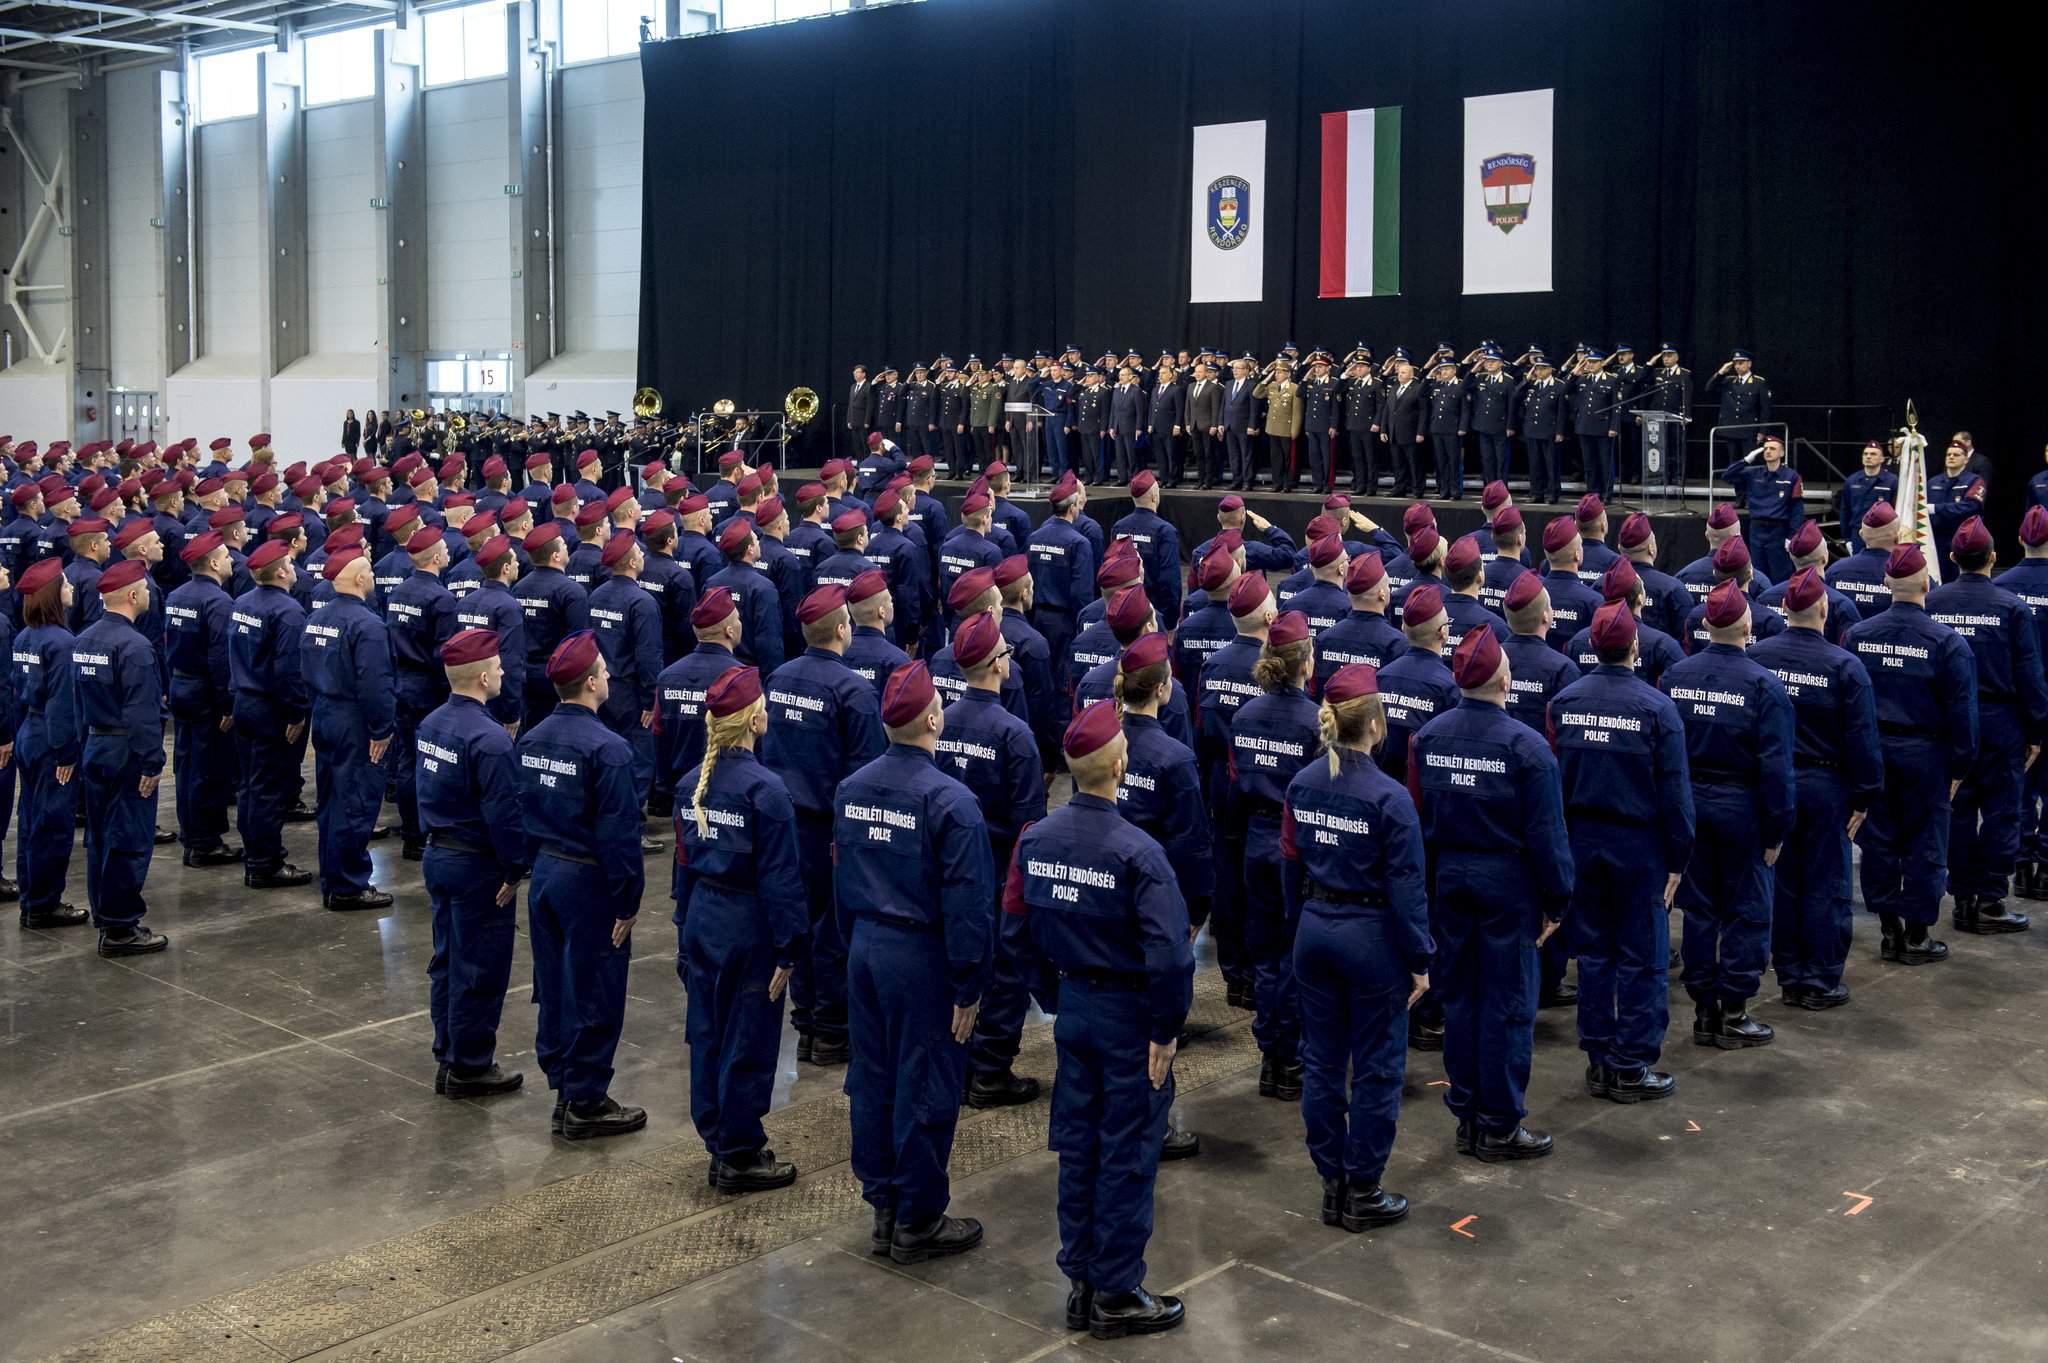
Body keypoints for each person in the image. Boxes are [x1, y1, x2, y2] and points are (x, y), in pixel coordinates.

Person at [999, 699, 1192, 1340]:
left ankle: (1082, 1280)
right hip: (1128, 1016)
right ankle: (1116, 1290)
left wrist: (1053, 996)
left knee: (1078, 1146)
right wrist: (1165, 1028)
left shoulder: (1036, 839)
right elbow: (1170, 953)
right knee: (1127, 1152)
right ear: (1120, 765)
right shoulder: (1140, 854)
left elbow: (1015, 928)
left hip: (1075, 1007)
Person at [835, 662, 994, 1264]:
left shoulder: (852, 789)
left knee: (873, 1079)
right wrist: (969, 984)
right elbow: (968, 904)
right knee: (925, 1083)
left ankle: (884, 1205)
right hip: (922, 957)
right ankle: (918, 1219)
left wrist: (856, 944)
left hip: (866, 947)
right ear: (934, 720)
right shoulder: (953, 802)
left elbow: (840, 877)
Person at [1410, 628, 1572, 1158]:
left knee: (1460, 999)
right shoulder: (1528, 748)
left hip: (1450, 878)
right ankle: (1499, 1123)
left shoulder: (1428, 738)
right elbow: (1547, 834)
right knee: (1507, 1004)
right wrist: (1557, 899)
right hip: (1508, 884)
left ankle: (1466, 1115)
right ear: (1506, 681)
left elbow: (1419, 817)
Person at [1282, 662, 1429, 1227]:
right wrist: (1419, 959)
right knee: (1376, 1066)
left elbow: (1290, 864)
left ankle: (1332, 1182)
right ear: (1374, 724)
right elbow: (1407, 888)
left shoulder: (1302, 783)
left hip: (1315, 930)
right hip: (1371, 939)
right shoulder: (1391, 799)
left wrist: (1299, 925)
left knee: (1321, 1062)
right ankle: (1363, 1188)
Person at [1550, 602, 1695, 1100]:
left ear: (1593, 646)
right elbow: (1675, 792)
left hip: (1582, 841)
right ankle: (1631, 1063)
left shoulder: (1564, 703)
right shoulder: (1657, 709)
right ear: (1635, 648)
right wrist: (1678, 858)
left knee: (1593, 953)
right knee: (1643, 956)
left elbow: (1555, 780)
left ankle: (1598, 1057)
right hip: (1639, 847)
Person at [673, 665, 805, 1189]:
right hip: (748, 927)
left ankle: (717, 1137)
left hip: (702, 916)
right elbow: (781, 880)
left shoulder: (691, 785)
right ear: (755, 721)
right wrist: (789, 949)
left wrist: (684, 930)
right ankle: (740, 1153)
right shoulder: (767, 792)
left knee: (707, 1033)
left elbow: (683, 866)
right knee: (747, 1037)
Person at [516, 632, 647, 1139]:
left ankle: (565, 1090)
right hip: (588, 881)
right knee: (595, 988)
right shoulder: (609, 750)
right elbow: (619, 835)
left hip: (547, 873)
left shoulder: (533, 739)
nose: (609, 676)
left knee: (554, 986)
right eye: (604, 671)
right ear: (591, 684)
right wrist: (627, 900)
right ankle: (587, 1101)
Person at [1660, 580, 1796, 1047]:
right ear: (1747, 626)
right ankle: (1734, 1009)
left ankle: (1703, 1010)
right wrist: (1776, 829)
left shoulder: (1675, 677)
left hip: (1692, 805)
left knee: (1699, 909)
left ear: (1705, 625)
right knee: (1747, 910)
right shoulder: (1764, 685)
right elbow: (1776, 768)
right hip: (1744, 809)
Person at [760, 585, 886, 1066]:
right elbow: (865, 774)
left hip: (784, 822)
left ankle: (808, 1024)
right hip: (830, 829)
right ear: (841, 630)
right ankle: (832, 1031)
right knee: (832, 929)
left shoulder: (779, 678)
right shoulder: (853, 690)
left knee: (798, 920)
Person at [1749, 569, 1884, 1006]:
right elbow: (1862, 737)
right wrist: (1864, 795)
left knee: (1783, 879)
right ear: (1825, 608)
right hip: (1827, 786)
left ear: (1784, 609)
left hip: (1774, 782)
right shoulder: (1844, 666)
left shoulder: (1758, 658)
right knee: (1826, 883)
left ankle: (1789, 973)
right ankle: (1820, 978)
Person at [933, 610, 1047, 1106]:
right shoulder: (1014, 735)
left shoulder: (940, 722)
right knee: (1006, 969)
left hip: (950, 865)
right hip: (1001, 865)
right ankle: (991, 1071)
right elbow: (1029, 822)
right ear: (999, 664)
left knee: (957, 957)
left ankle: (958, 1064)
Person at [1845, 545, 1979, 965]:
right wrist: (1960, 767)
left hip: (1876, 751)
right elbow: (1962, 713)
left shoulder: (1859, 635)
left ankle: (1890, 930)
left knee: (1879, 840)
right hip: (1926, 755)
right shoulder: (1947, 643)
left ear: (1887, 582)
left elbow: (1849, 708)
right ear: (1926, 583)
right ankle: (1918, 934)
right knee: (1926, 843)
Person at [417, 628, 528, 1098]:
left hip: (439, 852)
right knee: (480, 965)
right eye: (498, 668)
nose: (503, 673)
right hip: (476, 865)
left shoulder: (432, 724)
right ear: (483, 678)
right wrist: (515, 868)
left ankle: (449, 1054)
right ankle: (471, 1064)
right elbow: (504, 814)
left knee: (447, 960)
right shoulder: (490, 740)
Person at [1926, 517, 2048, 934]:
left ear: (1952, 556)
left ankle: (1962, 898)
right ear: (1993, 558)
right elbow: (2029, 675)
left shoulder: (1934, 603)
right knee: (2002, 812)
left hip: (1950, 722)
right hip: (2001, 723)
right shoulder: (2010, 607)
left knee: (1956, 810)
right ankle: (1991, 901)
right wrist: (2036, 731)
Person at [1229, 610, 1321, 1101]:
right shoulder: (1315, 721)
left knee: (1265, 954)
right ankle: (1290, 1058)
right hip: (1295, 846)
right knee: (1292, 955)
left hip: (1255, 840)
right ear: (1306, 663)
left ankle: (1270, 1054)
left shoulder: (1244, 716)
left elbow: (1234, 782)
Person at [72, 560, 169, 956]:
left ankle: (105, 914)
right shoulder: (136, 647)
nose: (148, 595)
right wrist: (152, 762)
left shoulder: (84, 640)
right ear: (131, 596)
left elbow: (77, 703)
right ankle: (120, 927)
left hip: (96, 744)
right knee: (128, 837)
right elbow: (142, 712)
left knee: (99, 837)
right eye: (144, 590)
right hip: (126, 749)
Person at [302, 547, 397, 912]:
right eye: (369, 572)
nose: (373, 577)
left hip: (326, 711)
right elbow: (375, 683)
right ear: (359, 579)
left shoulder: (317, 618)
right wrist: (381, 729)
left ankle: (333, 876)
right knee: (356, 800)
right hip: (355, 720)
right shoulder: (369, 625)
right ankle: (348, 885)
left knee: (330, 800)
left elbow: (305, 669)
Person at [230, 540, 314, 889]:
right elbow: (288, 670)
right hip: (271, 709)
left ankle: (255, 855)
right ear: (280, 571)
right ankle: (265, 863)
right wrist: (297, 712)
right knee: (268, 788)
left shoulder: (242, 603)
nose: (294, 569)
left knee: (250, 785)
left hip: (244, 701)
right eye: (290, 564)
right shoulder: (289, 612)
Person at [10, 560, 86, 929]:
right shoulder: (63, 643)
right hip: (51, 738)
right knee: (53, 823)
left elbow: (17, 693)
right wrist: (66, 753)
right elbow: (62, 703)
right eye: (65, 584)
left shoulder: (25, 636)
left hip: (29, 731)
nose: (71, 588)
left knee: (30, 820)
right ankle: (44, 904)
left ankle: (31, 898)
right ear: (53, 596)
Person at [162, 531, 243, 867]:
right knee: (208, 769)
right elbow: (220, 659)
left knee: (186, 765)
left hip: (181, 685)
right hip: (207, 693)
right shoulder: (219, 602)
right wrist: (227, 703)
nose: (231, 560)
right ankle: (205, 843)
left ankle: (192, 835)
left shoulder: (177, 596)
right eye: (225, 556)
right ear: (213, 564)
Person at [386, 527, 459, 861]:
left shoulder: (399, 592)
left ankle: (411, 834)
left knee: (407, 759)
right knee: (432, 760)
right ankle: (429, 829)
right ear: (436, 557)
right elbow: (444, 654)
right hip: (429, 688)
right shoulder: (441, 599)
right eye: (444, 549)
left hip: (402, 681)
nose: (448, 553)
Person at [587, 532, 664, 830]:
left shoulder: (596, 596)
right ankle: (629, 827)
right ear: (632, 563)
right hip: (632, 693)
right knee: (639, 760)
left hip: (601, 687)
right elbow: (648, 654)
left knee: (606, 755)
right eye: (639, 554)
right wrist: (650, 699)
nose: (644, 556)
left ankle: (604, 818)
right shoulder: (642, 602)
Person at [1996, 507, 2048, 904]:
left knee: (2021, 788)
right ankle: (2045, 867)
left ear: (2019, 539)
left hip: (2015, 705)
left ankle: (2021, 862)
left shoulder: (2002, 589)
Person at [514, 523, 591, 731]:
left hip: (525, 674)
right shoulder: (572, 592)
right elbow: (579, 643)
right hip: (557, 678)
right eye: (563, 545)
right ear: (556, 556)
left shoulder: (519, 588)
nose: (567, 548)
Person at [1722, 435, 1804, 585]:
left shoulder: (1791, 476)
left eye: (1772, 448)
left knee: (1780, 575)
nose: (1768, 451)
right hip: (1757, 529)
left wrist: (1792, 535)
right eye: (1765, 448)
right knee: (1757, 574)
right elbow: (1727, 476)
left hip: (1778, 530)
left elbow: (1797, 509)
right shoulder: (1753, 473)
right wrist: (1746, 460)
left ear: (1782, 453)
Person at [1704, 349, 1772, 469]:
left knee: (1750, 462)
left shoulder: (1758, 383)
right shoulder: (1728, 381)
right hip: (1731, 428)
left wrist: (1762, 431)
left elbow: (1765, 409)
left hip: (1749, 429)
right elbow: (1709, 388)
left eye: (1741, 363)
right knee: (1733, 463)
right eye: (1735, 363)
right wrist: (1721, 372)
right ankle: (1735, 482)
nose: (1737, 366)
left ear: (1749, 364)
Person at [1838, 442, 1898, 552]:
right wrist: (1847, 538)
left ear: (1882, 459)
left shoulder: (1892, 481)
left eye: (1873, 454)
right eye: (1865, 454)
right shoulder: (1852, 481)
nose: (1868, 457)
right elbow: (1845, 510)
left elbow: (1896, 509)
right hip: (1858, 533)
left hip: (1883, 534)